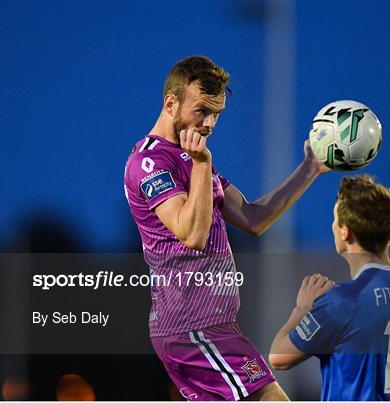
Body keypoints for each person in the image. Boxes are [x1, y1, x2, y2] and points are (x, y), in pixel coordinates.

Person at [124, 55, 327, 401]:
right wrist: (203, 165)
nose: (209, 123)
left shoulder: (193, 158)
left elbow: (252, 218)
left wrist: (310, 168)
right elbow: (192, 234)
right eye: (202, 110)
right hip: (191, 327)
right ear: (171, 103)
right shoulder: (149, 162)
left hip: (212, 326)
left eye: (216, 113)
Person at [269, 175, 390, 400]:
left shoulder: (344, 301)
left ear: (346, 232)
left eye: (335, 220)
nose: (333, 226)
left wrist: (301, 310)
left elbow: (278, 357)